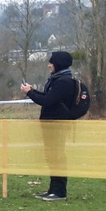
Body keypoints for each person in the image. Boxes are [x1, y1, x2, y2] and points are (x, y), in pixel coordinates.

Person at [22, 51, 79, 201]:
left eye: (51, 62)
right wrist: (33, 91)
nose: (49, 65)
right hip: (51, 124)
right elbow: (48, 97)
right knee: (52, 156)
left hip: (57, 125)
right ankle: (53, 189)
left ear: (58, 64)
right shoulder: (57, 80)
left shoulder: (63, 82)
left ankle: (59, 191)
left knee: (57, 156)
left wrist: (29, 94)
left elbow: (47, 101)